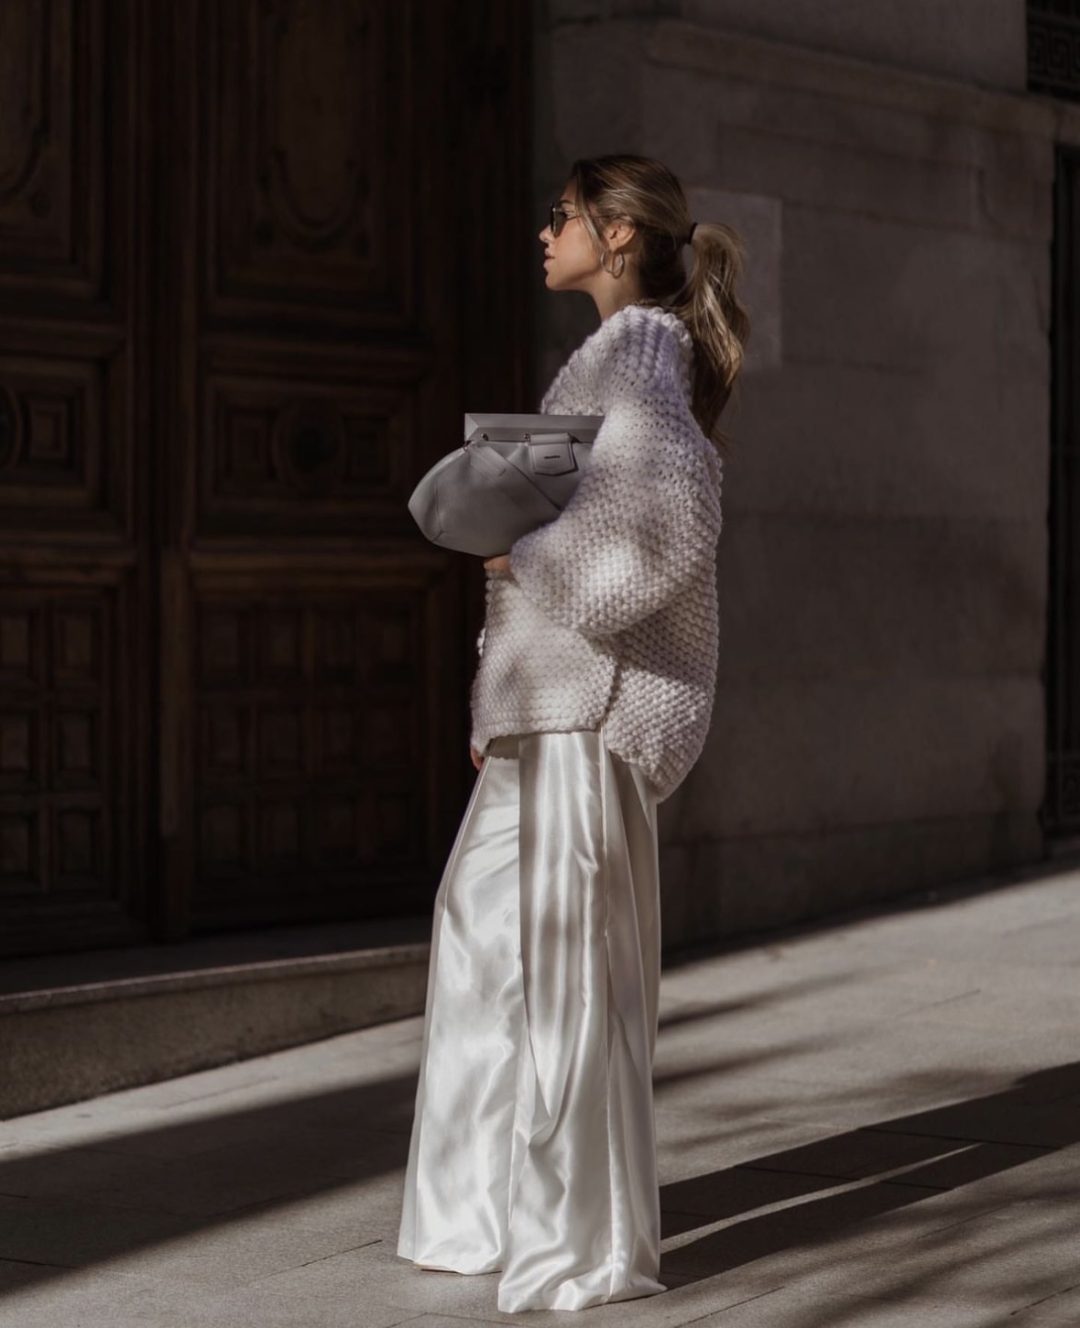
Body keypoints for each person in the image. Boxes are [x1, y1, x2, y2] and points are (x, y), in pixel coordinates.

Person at [397, 153, 751, 1313]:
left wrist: (518, 556)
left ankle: (579, 1246)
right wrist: (497, 692)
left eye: (561, 216)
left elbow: (660, 531)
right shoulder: (609, 360)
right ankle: (485, 1217)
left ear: (618, 232)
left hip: (590, 716)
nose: (543, 231)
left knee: (565, 980)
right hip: (543, 710)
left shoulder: (641, 355)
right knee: (485, 938)